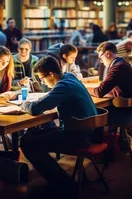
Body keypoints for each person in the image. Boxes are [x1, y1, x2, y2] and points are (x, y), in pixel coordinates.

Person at [20, 56, 98, 195]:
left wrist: (24, 104)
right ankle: (62, 181)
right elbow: (50, 99)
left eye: (42, 78)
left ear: (51, 74)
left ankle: (64, 186)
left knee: (27, 142)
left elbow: (35, 109)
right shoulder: (69, 77)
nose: (42, 81)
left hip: (77, 137)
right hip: (89, 133)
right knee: (34, 135)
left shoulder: (63, 86)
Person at [87, 42, 132, 126]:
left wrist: (84, 89)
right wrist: (110, 89)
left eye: (101, 57)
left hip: (125, 115)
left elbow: (99, 92)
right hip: (130, 111)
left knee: (92, 114)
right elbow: (108, 88)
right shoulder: (123, 63)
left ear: (107, 54)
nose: (100, 61)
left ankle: (98, 139)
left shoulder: (117, 68)